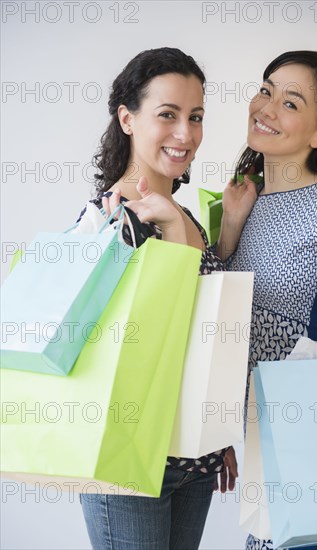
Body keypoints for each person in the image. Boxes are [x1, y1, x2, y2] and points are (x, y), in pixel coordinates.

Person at [77, 47, 237, 550]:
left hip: (193, 460)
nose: (185, 134)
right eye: (167, 115)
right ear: (127, 118)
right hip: (131, 460)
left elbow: (204, 332)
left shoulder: (183, 215)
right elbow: (140, 341)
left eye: (196, 117)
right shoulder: (108, 219)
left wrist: (217, 429)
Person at [216, 50, 317, 550]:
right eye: (266, 90)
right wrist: (232, 226)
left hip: (292, 410)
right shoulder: (246, 195)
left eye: (290, 102)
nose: (266, 107)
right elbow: (217, 303)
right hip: (244, 410)